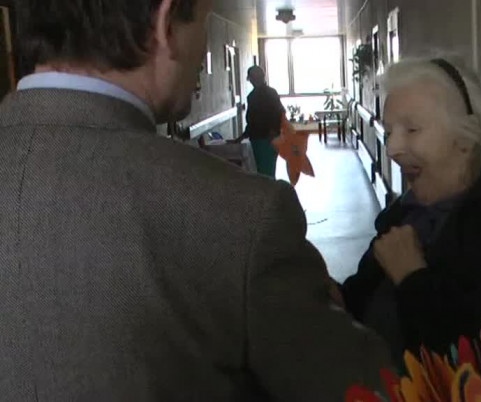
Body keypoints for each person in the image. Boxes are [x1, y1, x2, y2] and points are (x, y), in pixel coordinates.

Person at [0, 0, 391, 400]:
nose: (203, 53)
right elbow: (371, 389)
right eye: (202, 25)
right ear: (166, 25)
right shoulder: (242, 214)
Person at [339, 57, 481, 361]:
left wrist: (412, 278)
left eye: (412, 129)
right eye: (389, 131)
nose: (393, 148)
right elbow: (359, 302)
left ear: (465, 138)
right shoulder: (407, 215)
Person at [240, 65, 285, 178]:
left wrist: (273, 130)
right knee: (266, 171)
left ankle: (268, 189)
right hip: (262, 138)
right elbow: (251, 120)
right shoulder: (257, 95)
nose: (251, 81)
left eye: (251, 78)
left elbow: (279, 113)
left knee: (264, 172)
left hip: (266, 138)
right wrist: (242, 136)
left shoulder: (260, 95)